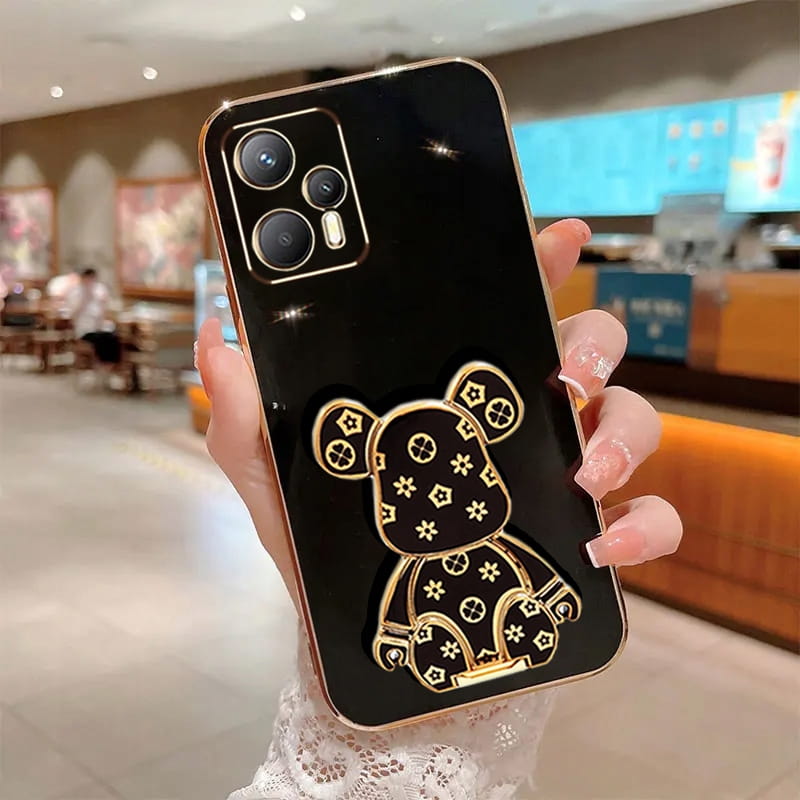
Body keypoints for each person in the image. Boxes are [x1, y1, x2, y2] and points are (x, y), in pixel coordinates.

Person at [195, 218, 682, 800]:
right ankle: (455, 639)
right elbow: (397, 607)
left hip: (496, 622)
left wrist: (472, 721)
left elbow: (528, 569)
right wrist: (382, 670)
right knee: (440, 629)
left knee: (514, 605)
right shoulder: (411, 557)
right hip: (435, 636)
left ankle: (513, 626)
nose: (441, 497)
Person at [67, 268, 120, 364]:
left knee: (113, 337)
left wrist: (103, 303)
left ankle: (110, 366)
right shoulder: (75, 292)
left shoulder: (100, 290)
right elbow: (73, 315)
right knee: (101, 339)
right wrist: (84, 300)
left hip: (99, 326)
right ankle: (101, 364)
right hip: (84, 329)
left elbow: (104, 311)